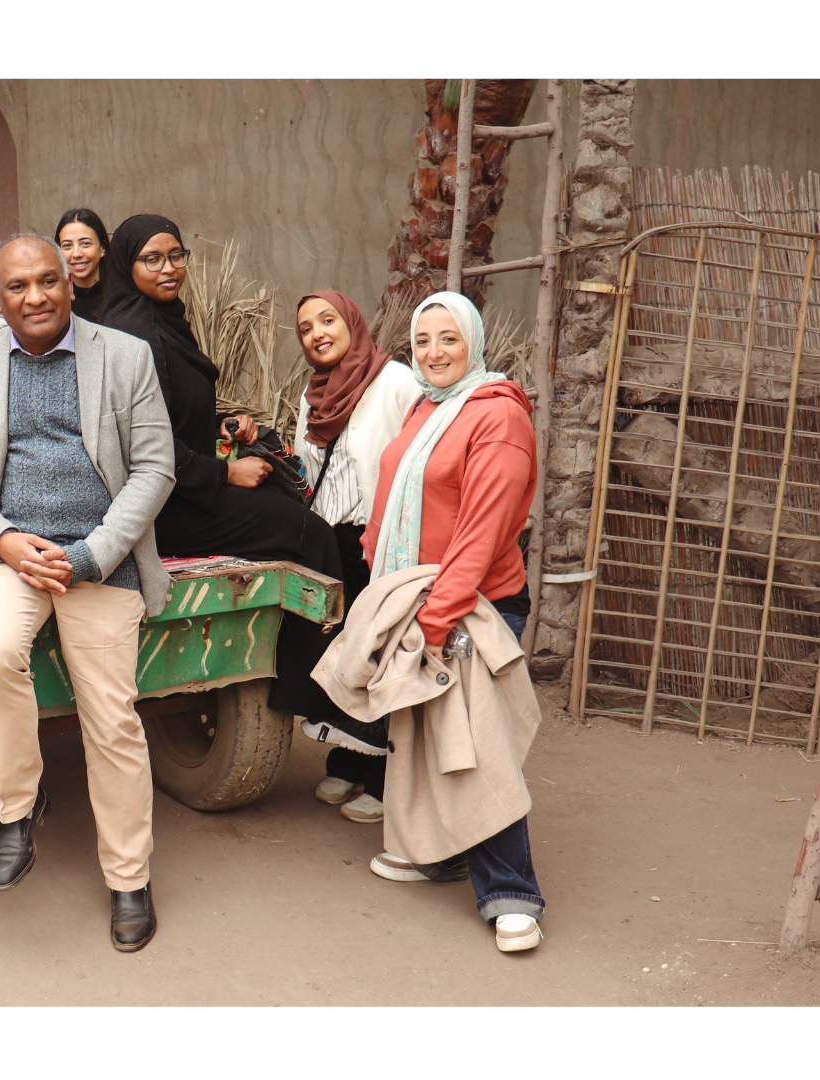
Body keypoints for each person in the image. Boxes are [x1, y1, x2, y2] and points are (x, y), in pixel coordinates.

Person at [0, 235, 175, 953]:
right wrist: (2, 540)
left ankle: (129, 878)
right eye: (17, 287)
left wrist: (94, 553)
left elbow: (156, 468)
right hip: (13, 553)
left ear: (71, 284)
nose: (34, 298)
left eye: (47, 282)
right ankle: (18, 803)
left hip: (101, 558)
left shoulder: (124, 356)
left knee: (112, 715)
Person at [97, 213, 346, 726]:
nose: (169, 269)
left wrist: (219, 423)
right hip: (161, 509)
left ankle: (300, 683)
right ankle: (318, 700)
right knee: (308, 534)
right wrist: (224, 475)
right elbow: (141, 444)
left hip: (183, 489)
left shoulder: (161, 320)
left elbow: (170, 415)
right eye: (152, 259)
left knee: (284, 513)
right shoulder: (136, 336)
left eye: (176, 256)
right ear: (127, 264)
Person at [352, 290, 544, 954]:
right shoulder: (426, 406)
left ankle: (512, 892)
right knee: (426, 736)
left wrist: (434, 622)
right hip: (418, 595)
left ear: (474, 344)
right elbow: (394, 485)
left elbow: (482, 533)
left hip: (472, 604)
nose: (434, 353)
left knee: (473, 747)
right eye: (423, 341)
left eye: (448, 340)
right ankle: (436, 853)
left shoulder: (497, 417)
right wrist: (375, 559)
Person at [290, 290, 417, 824]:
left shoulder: (396, 382)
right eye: (305, 328)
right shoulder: (312, 394)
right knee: (341, 650)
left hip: (379, 541)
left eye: (327, 320)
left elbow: (418, 458)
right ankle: (347, 756)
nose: (318, 333)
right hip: (329, 541)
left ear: (351, 323)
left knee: (380, 654)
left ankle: (385, 780)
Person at [56, 209, 110, 323]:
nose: (76, 254)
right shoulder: (55, 296)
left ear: (102, 247)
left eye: (85, 244)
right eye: (67, 245)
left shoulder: (119, 294)